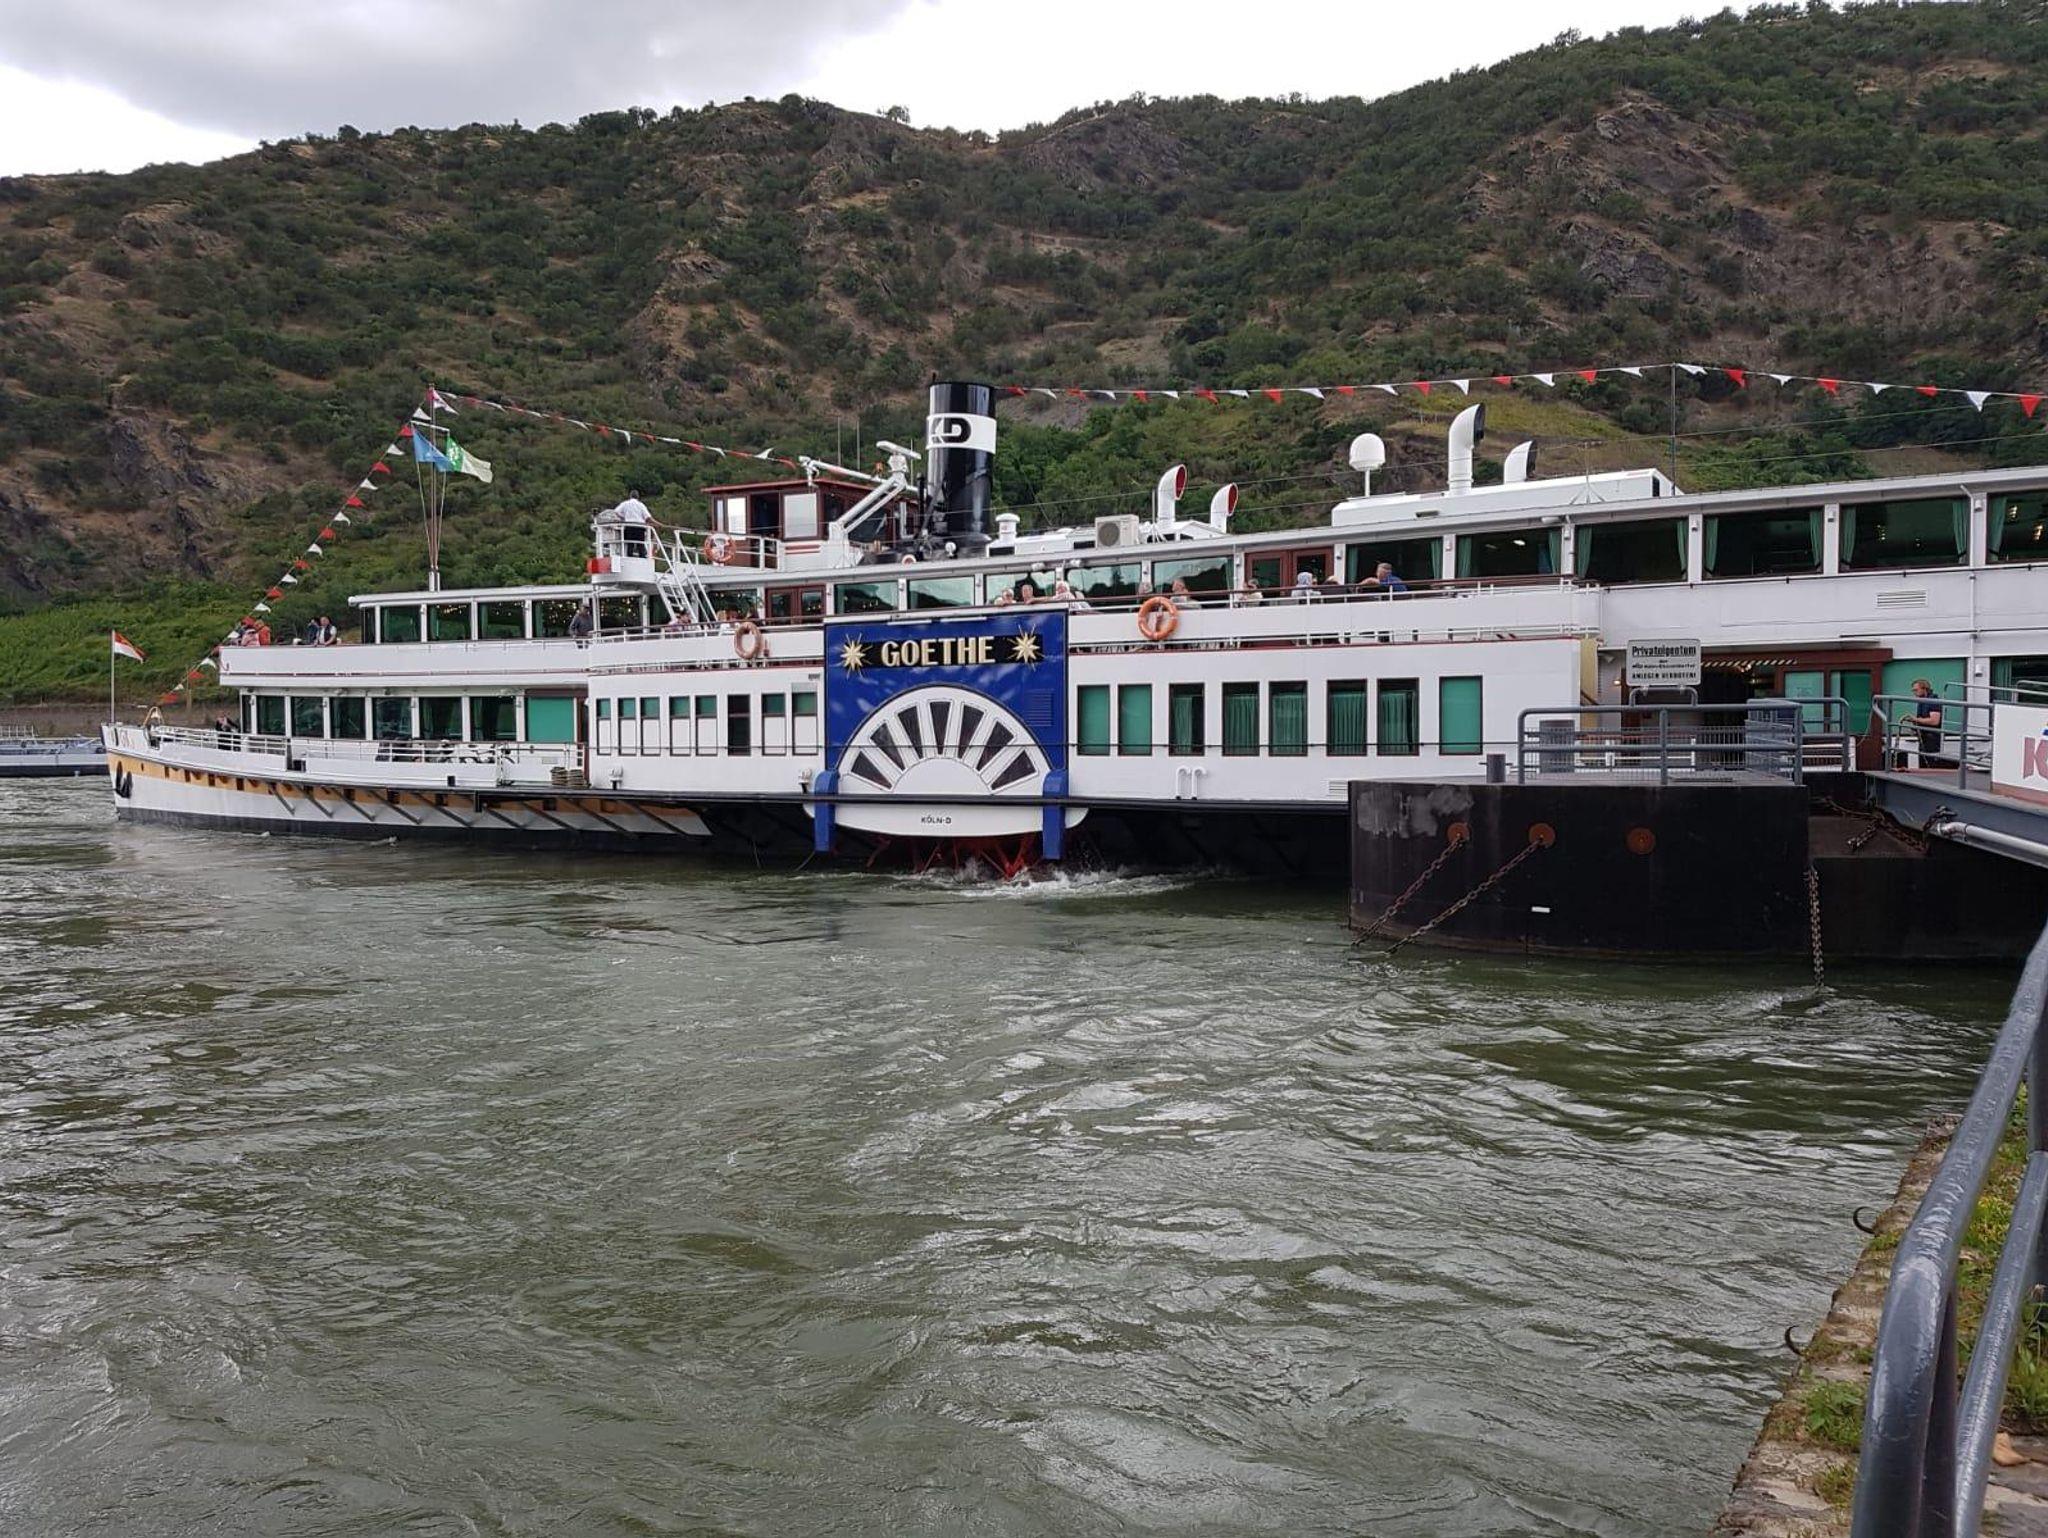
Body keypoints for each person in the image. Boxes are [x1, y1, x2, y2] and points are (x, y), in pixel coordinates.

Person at [1906, 678, 1945, 763]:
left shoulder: (1933, 701)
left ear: (1924, 689)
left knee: (1930, 761)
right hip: (1924, 737)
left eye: (1916, 690)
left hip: (1932, 738)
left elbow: (1935, 721)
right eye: (1913, 690)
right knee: (1923, 760)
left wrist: (1916, 719)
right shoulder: (1922, 701)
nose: (1914, 692)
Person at [613, 490, 652, 559]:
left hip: (629, 526)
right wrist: (657, 524)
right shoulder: (641, 505)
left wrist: (623, 517)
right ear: (638, 496)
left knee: (630, 544)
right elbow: (648, 517)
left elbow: (616, 511)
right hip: (639, 527)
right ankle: (642, 557)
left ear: (630, 496)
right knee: (640, 544)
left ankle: (629, 556)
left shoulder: (625, 503)